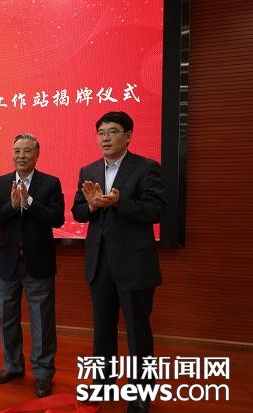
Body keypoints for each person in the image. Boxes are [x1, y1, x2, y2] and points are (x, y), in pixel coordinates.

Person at [71, 111, 165, 413]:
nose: (106, 138)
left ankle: (140, 392)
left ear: (128, 136)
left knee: (138, 331)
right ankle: (103, 383)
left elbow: (155, 211)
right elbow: (77, 212)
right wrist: (91, 205)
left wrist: (119, 202)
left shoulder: (147, 168)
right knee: (102, 328)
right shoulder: (88, 170)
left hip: (134, 263)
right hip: (99, 263)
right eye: (101, 133)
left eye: (112, 131)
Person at [0, 133, 64, 398]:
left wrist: (29, 202)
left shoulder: (50, 183)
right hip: (7, 263)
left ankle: (43, 373)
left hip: (38, 263)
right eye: (17, 150)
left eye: (27, 151)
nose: (21, 155)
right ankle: (12, 366)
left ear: (37, 155)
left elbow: (57, 219)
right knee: (6, 318)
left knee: (42, 321)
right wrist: (12, 205)